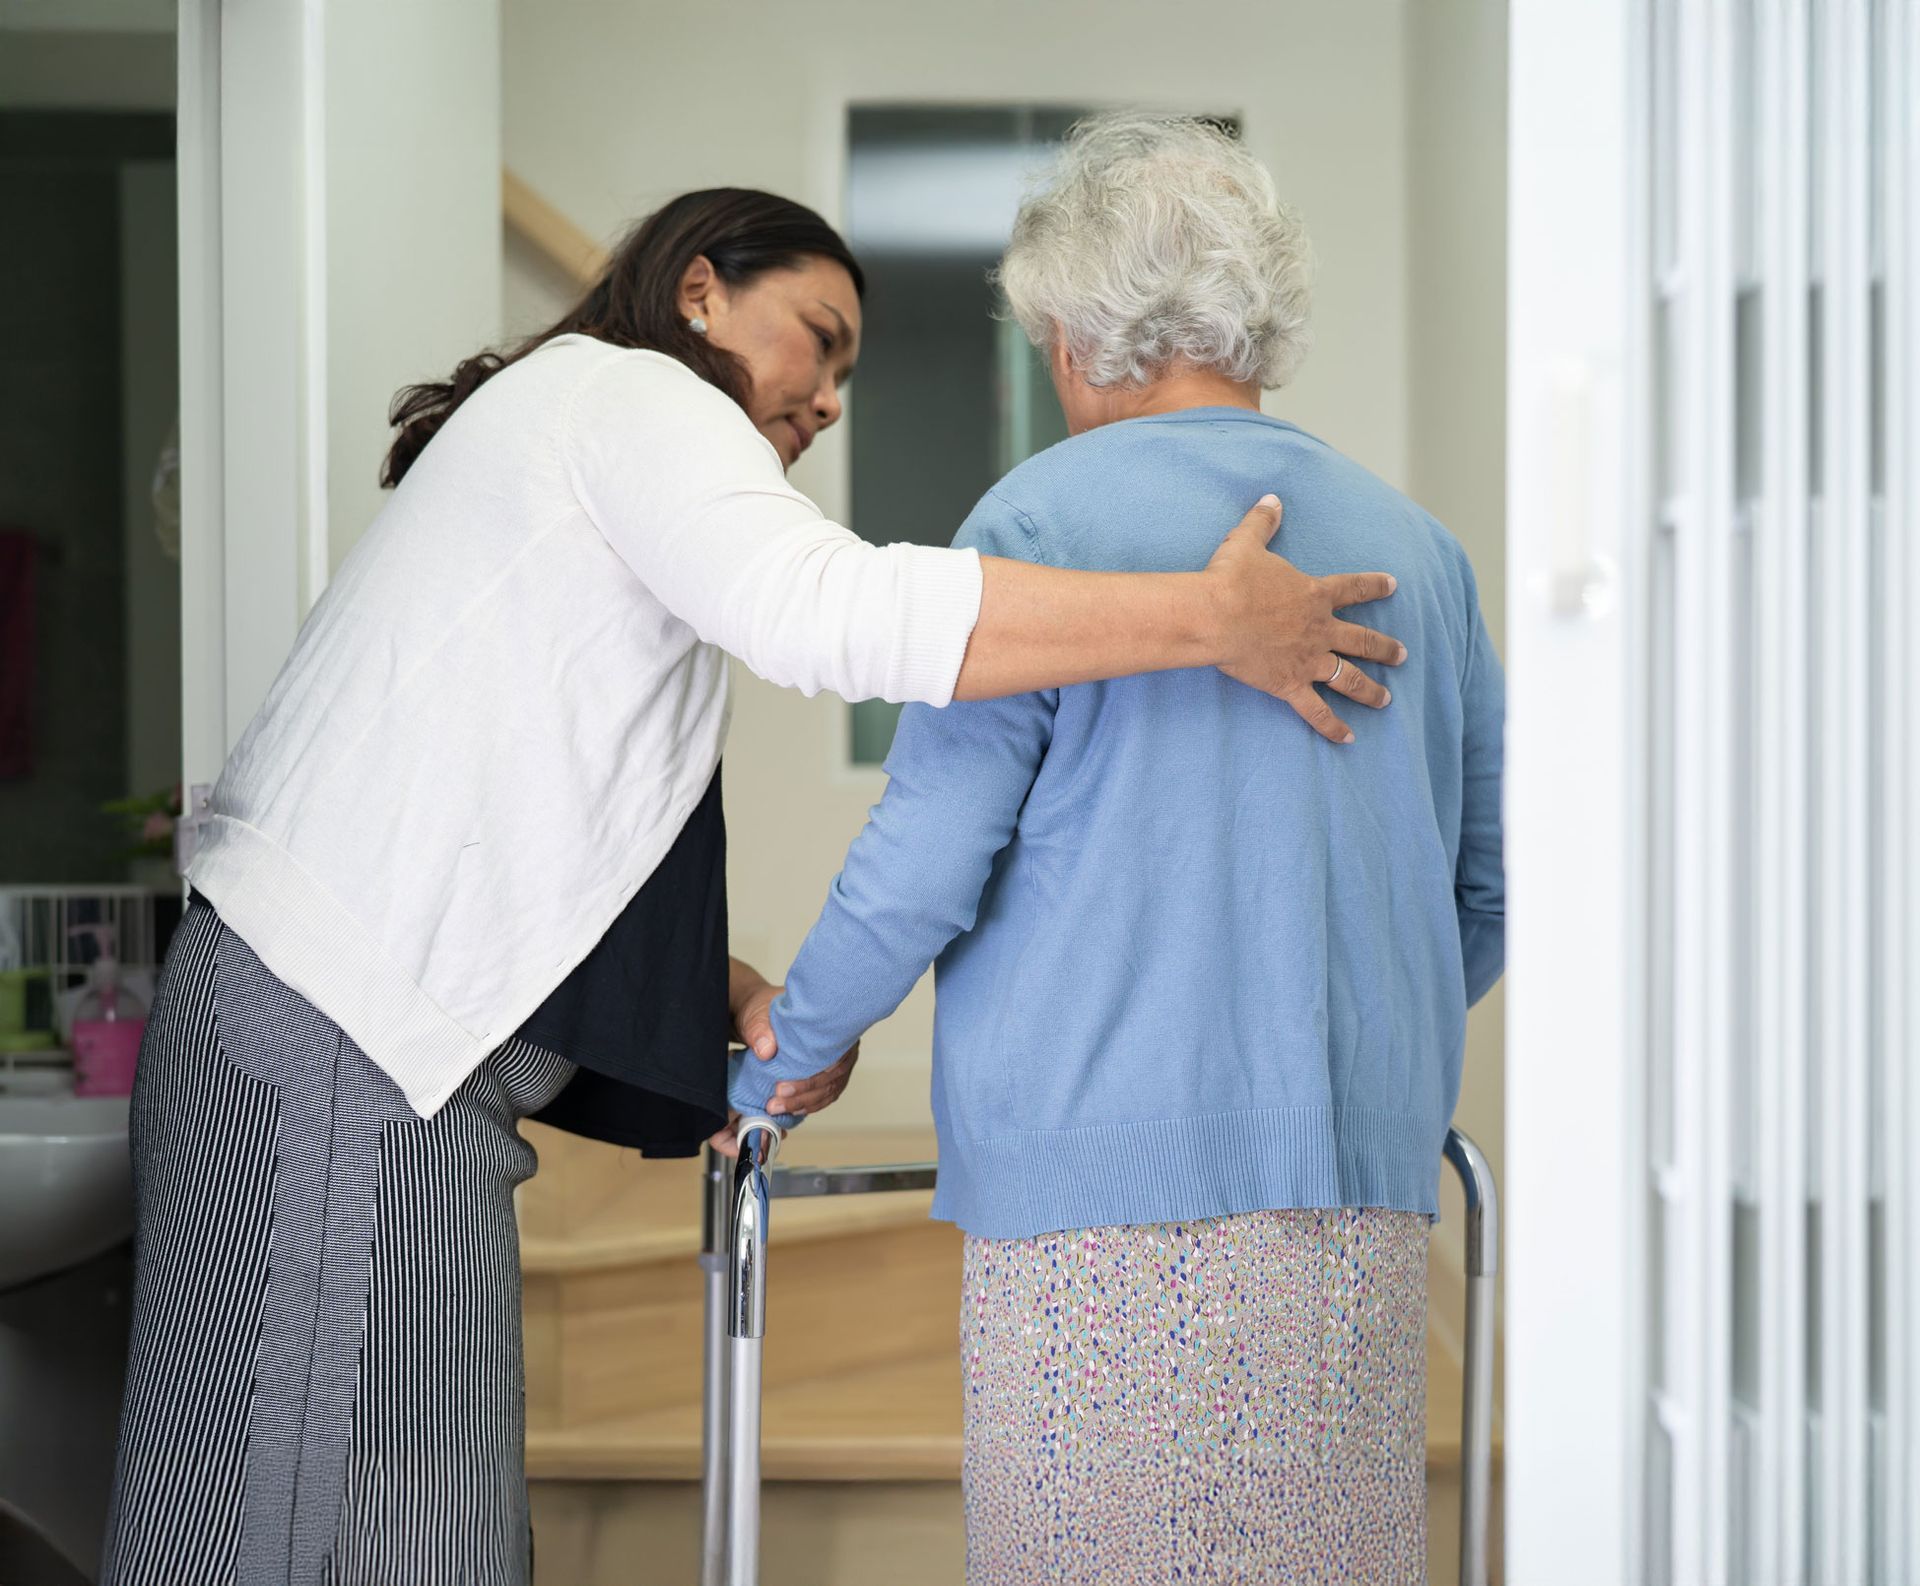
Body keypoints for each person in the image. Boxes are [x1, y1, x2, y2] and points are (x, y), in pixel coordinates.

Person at [99, 184, 1406, 1586]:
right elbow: (834, 617)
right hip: (337, 1036)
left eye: (850, 373)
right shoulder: (633, 397)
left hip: (342, 1033)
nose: (832, 398)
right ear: (701, 292)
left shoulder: (580, 430)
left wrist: (734, 994)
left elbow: (535, 805)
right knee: (335, 1527)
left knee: (375, 1518)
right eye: (819, 340)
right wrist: (1209, 619)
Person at [728, 115, 1505, 1584]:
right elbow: (1490, 879)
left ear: (1078, 333)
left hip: (1100, 1223)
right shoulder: (1425, 552)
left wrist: (793, 1049)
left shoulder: (1044, 519)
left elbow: (923, 854)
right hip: (1361, 1197)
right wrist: (1337, 1030)